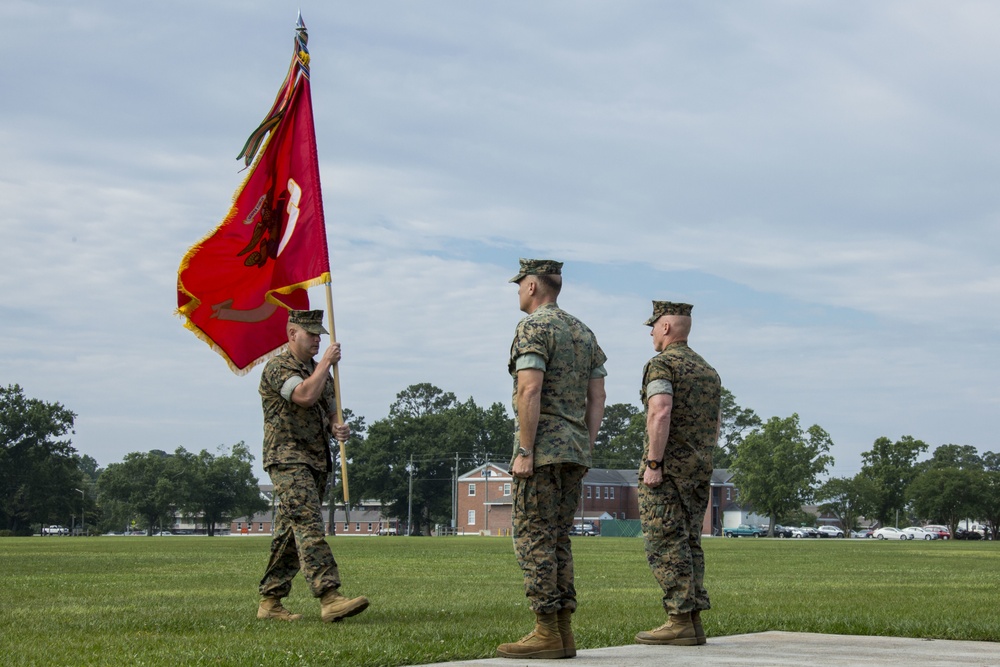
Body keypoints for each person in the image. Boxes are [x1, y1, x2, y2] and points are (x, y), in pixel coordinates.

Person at [498, 259, 607, 660]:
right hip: (574, 450)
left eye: (519, 285)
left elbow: (530, 390)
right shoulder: (583, 332)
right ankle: (562, 631)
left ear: (531, 286)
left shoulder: (534, 328)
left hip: (542, 450)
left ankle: (546, 630)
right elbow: (598, 398)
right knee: (559, 538)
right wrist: (584, 444)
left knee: (533, 538)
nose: (518, 292)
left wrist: (525, 450)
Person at [256, 309, 369, 623]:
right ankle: (329, 596)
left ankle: (270, 602)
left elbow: (330, 409)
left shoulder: (321, 373)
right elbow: (304, 395)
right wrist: (324, 364)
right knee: (308, 525)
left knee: (289, 534)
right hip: (287, 458)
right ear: (292, 334)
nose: (318, 340)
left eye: (320, 334)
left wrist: (337, 427)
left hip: (317, 460)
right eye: (311, 334)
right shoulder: (278, 368)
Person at [634, 301, 721, 646]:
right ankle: (693, 619)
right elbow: (715, 424)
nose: (652, 333)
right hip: (699, 471)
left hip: (668, 473)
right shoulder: (707, 370)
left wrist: (654, 463)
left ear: (666, 327)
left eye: (653, 327)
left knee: (666, 542)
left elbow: (660, 410)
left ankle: (679, 619)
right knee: (690, 542)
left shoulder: (662, 365)